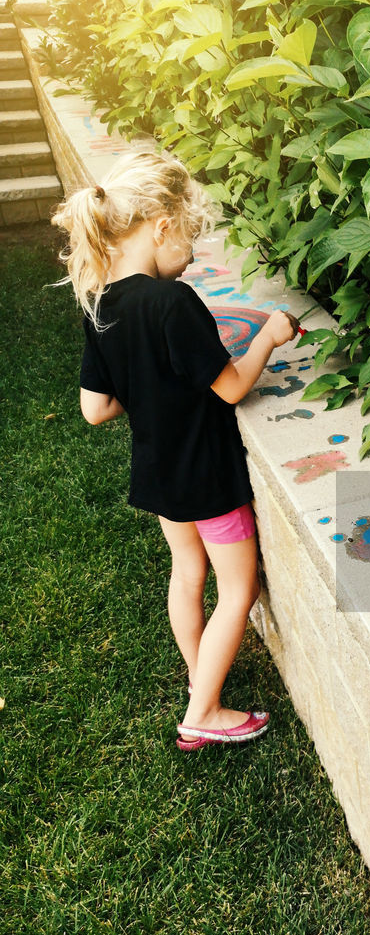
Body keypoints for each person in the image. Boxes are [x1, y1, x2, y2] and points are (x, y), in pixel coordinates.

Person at [52, 148, 299, 751]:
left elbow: (96, 407)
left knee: (187, 574)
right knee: (238, 589)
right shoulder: (172, 303)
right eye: (190, 237)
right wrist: (269, 335)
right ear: (161, 226)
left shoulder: (101, 302)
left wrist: (145, 381)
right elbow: (233, 386)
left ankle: (199, 680)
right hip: (207, 475)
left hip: (160, 473)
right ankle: (204, 712)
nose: (192, 254)